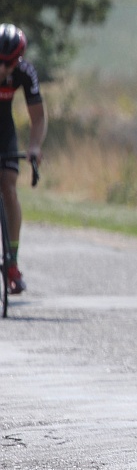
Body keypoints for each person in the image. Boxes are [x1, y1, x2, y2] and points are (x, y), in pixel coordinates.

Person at [0, 24, 47, 294]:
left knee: (8, 186)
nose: (2, 69)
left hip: (4, 131)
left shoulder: (24, 73)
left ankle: (12, 264)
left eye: (7, 64)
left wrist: (35, 147)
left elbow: (38, 117)